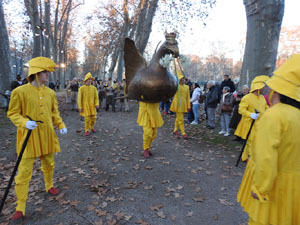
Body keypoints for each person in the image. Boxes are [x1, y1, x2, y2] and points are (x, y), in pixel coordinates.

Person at [237, 54, 300, 225]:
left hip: (273, 189)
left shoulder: (274, 116)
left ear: (277, 89)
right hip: (294, 191)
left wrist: (260, 188)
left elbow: (266, 157)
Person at [7, 56, 67, 220]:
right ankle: (20, 206)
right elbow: (12, 113)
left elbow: (54, 112)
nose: (48, 75)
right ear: (36, 73)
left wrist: (60, 125)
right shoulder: (19, 92)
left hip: (46, 134)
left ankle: (49, 185)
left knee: (49, 163)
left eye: (48, 72)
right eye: (45, 72)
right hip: (29, 137)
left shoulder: (50, 93)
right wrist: (24, 122)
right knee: (24, 171)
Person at [234, 75, 269, 161]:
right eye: (263, 87)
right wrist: (250, 114)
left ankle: (245, 156)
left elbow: (266, 107)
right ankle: (250, 157)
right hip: (249, 123)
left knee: (252, 141)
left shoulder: (262, 98)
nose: (264, 89)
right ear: (258, 87)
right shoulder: (247, 97)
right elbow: (241, 110)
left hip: (259, 123)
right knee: (250, 141)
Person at [170, 67, 190, 139]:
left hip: (184, 105)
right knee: (181, 119)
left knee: (178, 118)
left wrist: (188, 106)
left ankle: (175, 130)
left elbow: (188, 97)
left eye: (184, 79)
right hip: (177, 104)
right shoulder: (176, 87)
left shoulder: (187, 87)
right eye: (182, 79)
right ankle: (183, 133)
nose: (183, 80)